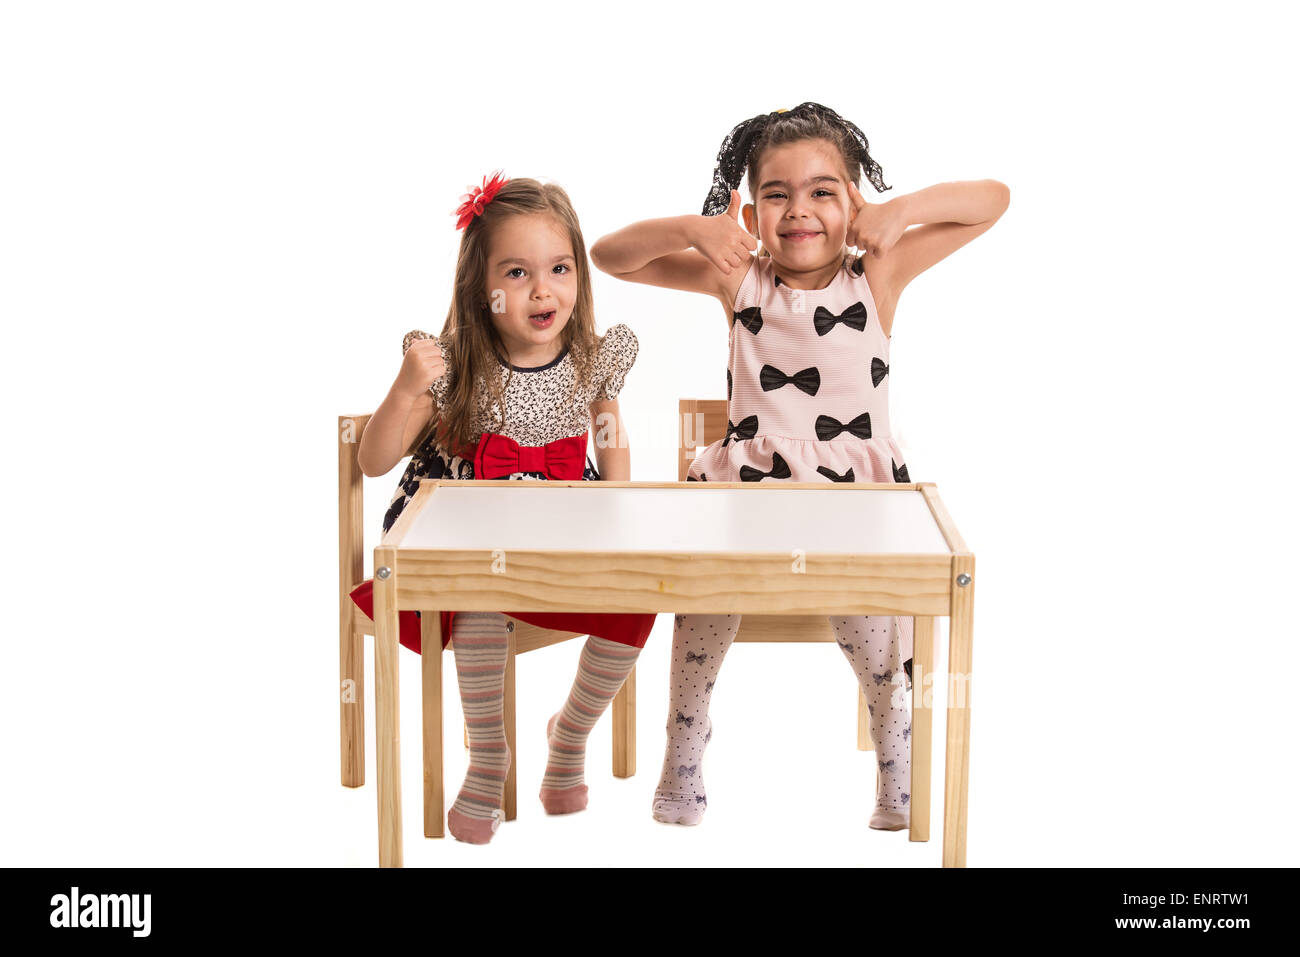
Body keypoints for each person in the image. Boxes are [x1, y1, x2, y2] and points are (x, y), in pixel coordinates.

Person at [590, 102, 1009, 830]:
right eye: (776, 194)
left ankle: (894, 758)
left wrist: (900, 212)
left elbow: (993, 202)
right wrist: (695, 229)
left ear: (853, 203)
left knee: (874, 632)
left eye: (824, 191)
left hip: (852, 507)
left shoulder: (877, 272)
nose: (799, 209)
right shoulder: (738, 278)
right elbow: (609, 255)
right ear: (751, 213)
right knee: (702, 603)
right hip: (748, 501)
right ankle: (685, 749)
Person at [350, 172, 656, 844]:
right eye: (517, 273)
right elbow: (373, 460)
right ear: (479, 288)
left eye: (558, 269)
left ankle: (569, 732)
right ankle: (489, 757)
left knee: (645, 594)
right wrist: (406, 389)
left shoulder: (591, 365)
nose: (542, 289)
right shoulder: (453, 367)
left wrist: (619, 518)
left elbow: (613, 454)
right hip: (457, 563)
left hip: (554, 555)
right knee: (480, 594)